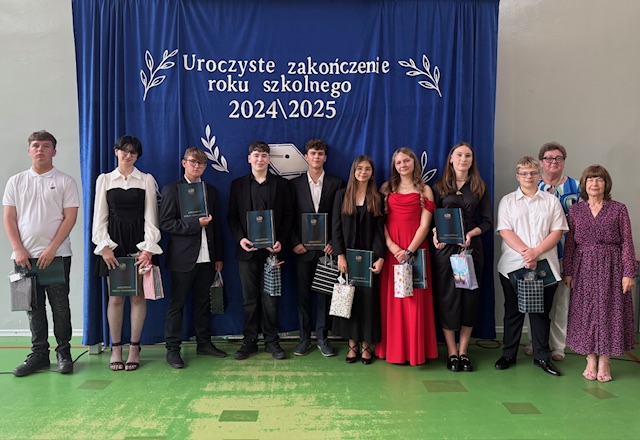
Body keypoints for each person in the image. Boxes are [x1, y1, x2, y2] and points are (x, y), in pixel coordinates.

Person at [3, 130, 79, 377]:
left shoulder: (65, 181)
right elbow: (9, 217)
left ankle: (64, 352)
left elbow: (70, 217)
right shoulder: (16, 182)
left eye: (46, 146)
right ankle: (39, 354)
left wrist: (52, 249)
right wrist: (18, 248)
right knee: (32, 307)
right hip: (24, 258)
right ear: (29, 151)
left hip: (57, 256)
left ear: (54, 151)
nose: (40, 150)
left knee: (60, 307)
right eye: (36, 145)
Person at [92, 135, 162, 371]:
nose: (128, 155)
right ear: (116, 151)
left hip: (139, 246)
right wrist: (104, 247)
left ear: (137, 156)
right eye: (125, 150)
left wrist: (148, 249)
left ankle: (134, 347)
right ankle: (116, 348)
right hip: (113, 247)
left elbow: (151, 217)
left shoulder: (146, 180)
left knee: (138, 297)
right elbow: (99, 217)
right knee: (115, 298)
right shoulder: (104, 179)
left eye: (133, 152)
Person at [494, 156, 567, 376]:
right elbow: (505, 230)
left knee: (541, 314)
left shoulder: (551, 201)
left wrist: (536, 252)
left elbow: (557, 231)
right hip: (513, 267)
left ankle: (542, 357)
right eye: (524, 173)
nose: (529, 177)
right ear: (517, 176)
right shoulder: (507, 201)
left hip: (545, 267)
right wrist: (526, 253)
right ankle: (508, 354)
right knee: (513, 312)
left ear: (539, 175)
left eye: (533, 173)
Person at [564, 165, 637, 382]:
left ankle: (605, 360)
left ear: (606, 184)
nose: (594, 183)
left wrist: (629, 272)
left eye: (599, 179)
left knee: (609, 312)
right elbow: (570, 244)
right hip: (583, 267)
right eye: (590, 179)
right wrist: (568, 271)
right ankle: (590, 359)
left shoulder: (619, 209)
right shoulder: (576, 211)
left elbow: (627, 241)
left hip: (612, 267)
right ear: (584, 184)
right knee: (586, 312)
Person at [159, 147, 227, 369]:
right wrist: (195, 224)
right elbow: (166, 223)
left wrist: (218, 256)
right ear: (184, 163)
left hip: (208, 257)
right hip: (183, 258)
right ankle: (172, 349)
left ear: (206, 167)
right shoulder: (172, 190)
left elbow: (217, 226)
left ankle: (204, 343)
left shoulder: (210, 191)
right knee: (177, 304)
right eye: (193, 162)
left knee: (203, 303)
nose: (197, 166)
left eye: (201, 163)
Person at [228, 141, 294, 360]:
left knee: (271, 298)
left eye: (264, 155)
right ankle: (249, 341)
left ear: (269, 159)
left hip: (272, 252)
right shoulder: (237, 185)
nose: (260, 159)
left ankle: (271, 341)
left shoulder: (282, 185)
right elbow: (232, 217)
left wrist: (280, 241)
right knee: (249, 299)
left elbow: (288, 216)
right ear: (249, 159)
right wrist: (240, 239)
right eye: (256, 155)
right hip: (246, 252)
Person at [432, 142, 492, 372]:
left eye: (468, 155)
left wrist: (471, 234)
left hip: (470, 251)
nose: (463, 159)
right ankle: (451, 352)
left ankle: (464, 351)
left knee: (469, 300)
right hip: (445, 251)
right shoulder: (439, 187)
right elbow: (432, 219)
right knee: (447, 300)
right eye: (459, 155)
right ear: (451, 158)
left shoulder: (479, 187)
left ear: (472, 160)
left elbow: (487, 221)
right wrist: (435, 234)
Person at [378, 147, 437, 366]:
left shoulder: (425, 190)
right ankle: (393, 350)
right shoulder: (386, 188)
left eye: (406, 161)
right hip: (392, 251)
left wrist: (409, 251)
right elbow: (380, 222)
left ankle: (415, 351)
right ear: (394, 166)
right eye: (399, 162)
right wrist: (392, 246)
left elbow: (425, 224)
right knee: (394, 301)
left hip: (416, 250)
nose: (403, 165)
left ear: (414, 162)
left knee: (414, 300)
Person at [523, 142, 580, 361]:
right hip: (538, 253)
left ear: (564, 161)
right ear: (541, 162)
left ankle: (557, 346)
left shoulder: (576, 187)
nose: (553, 162)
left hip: (566, 252)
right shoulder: (532, 184)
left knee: (561, 301)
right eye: (548, 158)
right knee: (534, 298)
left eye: (558, 158)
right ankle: (535, 341)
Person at [290, 139, 343, 357]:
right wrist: (294, 242)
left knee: (324, 296)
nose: (316, 157)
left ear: (325, 158)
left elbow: (339, 217)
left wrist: (334, 243)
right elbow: (289, 217)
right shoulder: (294, 185)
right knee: (302, 297)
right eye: (313, 153)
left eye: (320, 154)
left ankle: (322, 338)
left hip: (326, 252)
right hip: (302, 250)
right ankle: (304, 339)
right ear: (306, 157)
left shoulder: (336, 183)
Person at [331, 155, 385, 365]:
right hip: (347, 259)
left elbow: (380, 231)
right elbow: (336, 228)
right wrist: (340, 255)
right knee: (350, 301)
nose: (363, 172)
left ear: (372, 173)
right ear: (353, 171)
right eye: (359, 168)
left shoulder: (377, 197)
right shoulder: (341, 195)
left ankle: (366, 346)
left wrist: (380, 257)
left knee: (368, 303)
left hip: (369, 259)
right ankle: (352, 345)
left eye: (367, 169)